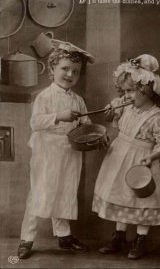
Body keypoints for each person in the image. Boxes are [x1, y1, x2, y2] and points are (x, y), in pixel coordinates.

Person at [92, 54, 160, 260]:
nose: (126, 95)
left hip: (141, 163)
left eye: (131, 91)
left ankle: (141, 239)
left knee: (141, 200)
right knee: (119, 195)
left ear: (145, 90)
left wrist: (153, 157)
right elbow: (111, 117)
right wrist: (110, 112)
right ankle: (119, 236)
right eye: (124, 91)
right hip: (118, 157)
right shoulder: (126, 106)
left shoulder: (158, 118)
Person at [18, 42, 95, 259]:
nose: (70, 74)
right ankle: (27, 238)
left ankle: (64, 236)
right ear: (52, 69)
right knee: (40, 193)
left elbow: (86, 123)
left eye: (75, 71)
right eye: (65, 69)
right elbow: (35, 122)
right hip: (47, 150)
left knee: (65, 191)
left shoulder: (78, 100)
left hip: (70, 151)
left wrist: (93, 131)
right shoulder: (44, 96)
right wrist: (58, 116)